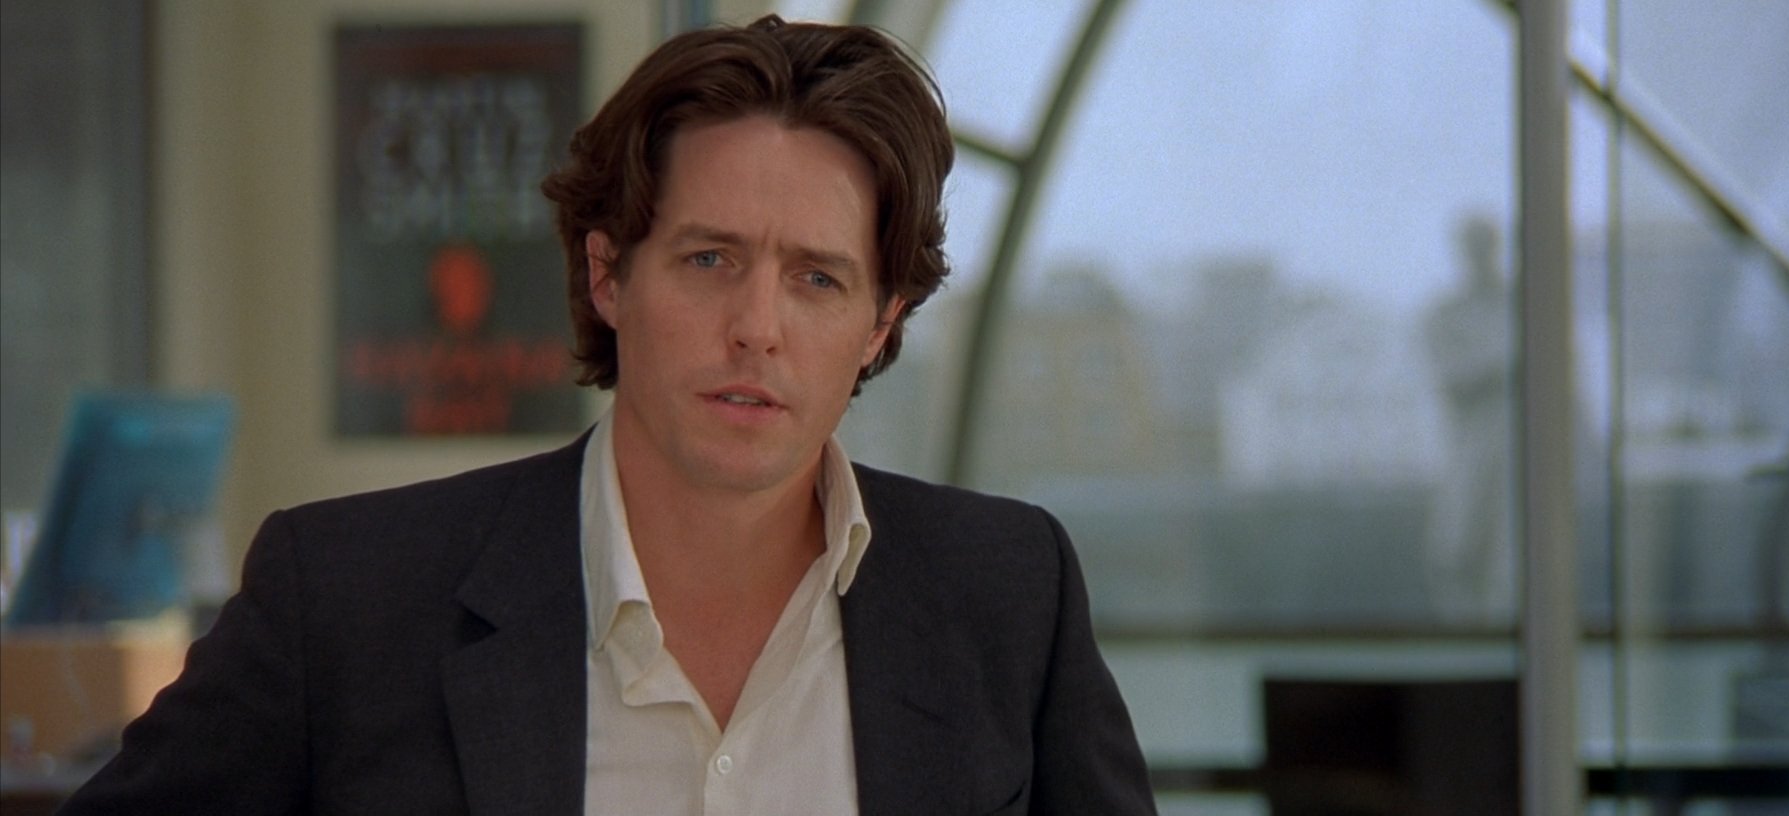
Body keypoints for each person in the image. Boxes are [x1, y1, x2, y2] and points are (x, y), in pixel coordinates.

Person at [58, 14, 1155, 815]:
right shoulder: (347, 600)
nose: (757, 327)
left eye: (817, 278)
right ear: (607, 275)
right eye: (710, 259)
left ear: (881, 324)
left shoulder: (1008, 596)